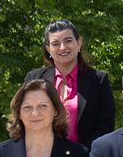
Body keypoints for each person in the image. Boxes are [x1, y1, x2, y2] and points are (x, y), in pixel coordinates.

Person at [26, 18, 115, 147]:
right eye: (55, 43)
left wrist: (81, 153)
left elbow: (106, 125)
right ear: (48, 49)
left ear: (79, 43)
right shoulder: (34, 78)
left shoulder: (98, 80)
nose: (62, 47)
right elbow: (24, 117)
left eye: (68, 41)